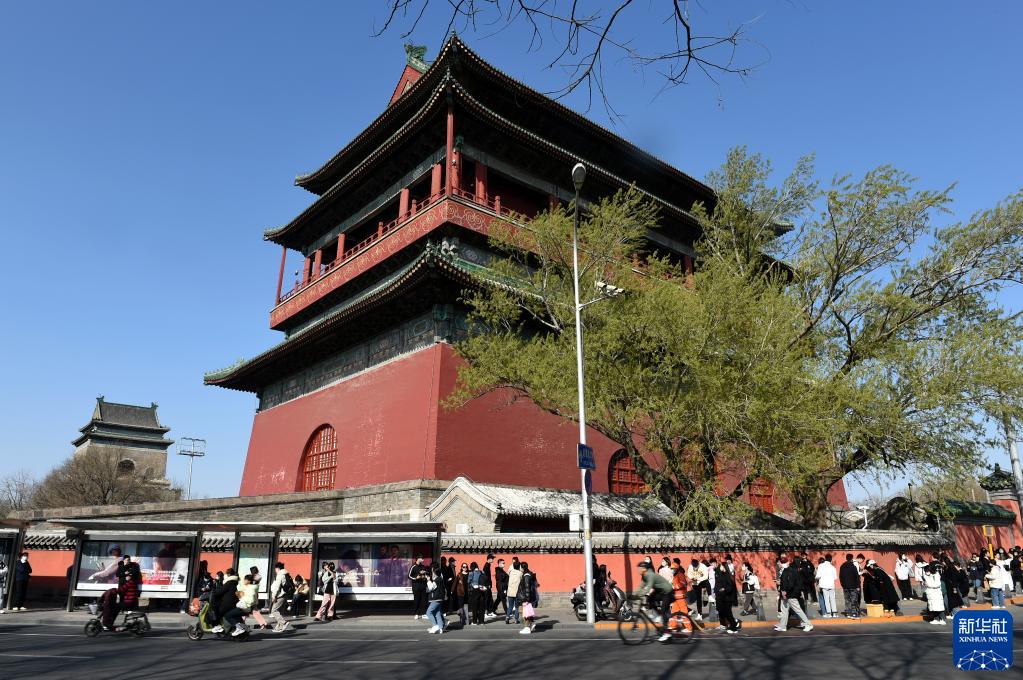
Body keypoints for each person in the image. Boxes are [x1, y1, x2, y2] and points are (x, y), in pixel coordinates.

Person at [636, 560, 675, 643]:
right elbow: (640, 587)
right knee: (650, 599)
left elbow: (648, 587)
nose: (638, 570)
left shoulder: (650, 575)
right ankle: (658, 616)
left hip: (668, 591)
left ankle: (667, 633)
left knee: (664, 610)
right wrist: (635, 595)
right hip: (661, 591)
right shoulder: (644, 576)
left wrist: (641, 594)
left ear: (644, 569)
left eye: (639, 568)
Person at [774, 555, 813, 633]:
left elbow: (791, 584)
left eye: (781, 563)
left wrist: (785, 592)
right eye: (780, 563)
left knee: (798, 610)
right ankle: (783, 626)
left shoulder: (789, 571)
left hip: (790, 595)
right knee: (784, 611)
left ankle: (808, 624)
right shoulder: (785, 571)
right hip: (786, 595)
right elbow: (786, 583)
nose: (780, 564)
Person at [713, 562, 740, 633]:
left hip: (728, 598)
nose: (720, 567)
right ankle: (732, 625)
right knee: (724, 612)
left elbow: (730, 587)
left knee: (728, 613)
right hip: (724, 597)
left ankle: (734, 629)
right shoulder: (723, 574)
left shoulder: (728, 575)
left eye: (721, 566)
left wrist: (724, 589)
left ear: (724, 567)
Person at [210, 569, 241, 633]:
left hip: (228, 603)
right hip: (235, 602)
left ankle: (217, 626)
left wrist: (213, 592)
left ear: (228, 574)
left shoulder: (230, 582)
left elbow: (221, 591)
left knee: (216, 611)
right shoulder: (236, 582)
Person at [268, 562, 292, 632]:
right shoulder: (286, 574)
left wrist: (274, 596)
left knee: (274, 610)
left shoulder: (280, 575)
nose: (275, 570)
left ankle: (284, 623)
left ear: (277, 568)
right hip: (285, 594)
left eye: (275, 569)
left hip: (280, 595)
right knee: (279, 612)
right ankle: (279, 627)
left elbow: (277, 587)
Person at [425, 562, 448, 634]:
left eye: (433, 571)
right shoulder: (440, 579)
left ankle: (435, 626)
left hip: (436, 598)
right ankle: (440, 628)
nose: (432, 572)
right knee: (437, 613)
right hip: (439, 598)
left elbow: (431, 588)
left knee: (428, 612)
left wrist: (428, 580)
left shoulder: (437, 580)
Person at [517, 561, 539, 635]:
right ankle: (531, 623)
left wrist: (526, 599)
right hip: (526, 597)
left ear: (522, 568)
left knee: (525, 613)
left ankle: (527, 628)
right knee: (527, 612)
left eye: (520, 567)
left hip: (525, 598)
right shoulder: (528, 574)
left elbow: (527, 588)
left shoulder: (526, 576)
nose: (519, 568)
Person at [839, 553, 861, 618]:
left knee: (847, 600)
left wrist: (842, 585)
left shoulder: (842, 566)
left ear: (846, 558)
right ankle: (854, 613)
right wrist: (858, 586)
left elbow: (840, 577)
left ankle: (848, 613)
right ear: (852, 558)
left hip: (845, 586)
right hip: (853, 586)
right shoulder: (853, 566)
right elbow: (856, 576)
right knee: (854, 600)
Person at [815, 554, 837, 619]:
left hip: (824, 585)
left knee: (826, 599)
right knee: (832, 599)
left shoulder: (821, 566)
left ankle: (829, 614)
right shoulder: (833, 567)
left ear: (825, 558)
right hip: (831, 585)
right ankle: (834, 613)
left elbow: (818, 576)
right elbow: (835, 577)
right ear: (831, 559)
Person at [408, 555, 429, 620]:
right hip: (416, 587)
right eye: (421, 558)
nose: (423, 559)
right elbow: (409, 576)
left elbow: (427, 573)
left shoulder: (423, 566)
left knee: (424, 600)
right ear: (418, 559)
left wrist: (425, 573)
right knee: (417, 601)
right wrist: (416, 578)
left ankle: (424, 614)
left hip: (423, 586)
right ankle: (416, 614)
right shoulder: (413, 566)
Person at [505, 560, 522, 625]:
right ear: (519, 566)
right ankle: (516, 620)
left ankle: (507, 617)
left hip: (510, 592)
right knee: (517, 607)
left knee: (510, 606)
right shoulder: (520, 573)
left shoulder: (510, 572)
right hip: (517, 592)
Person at [481, 554, 496, 620]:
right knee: (486, 599)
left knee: (489, 598)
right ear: (489, 559)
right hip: (486, 585)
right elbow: (486, 577)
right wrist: (488, 584)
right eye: (492, 558)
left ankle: (490, 612)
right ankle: (485, 613)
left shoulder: (488, 565)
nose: (493, 560)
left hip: (488, 585)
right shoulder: (486, 566)